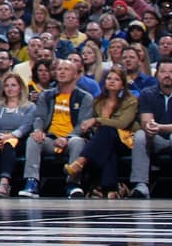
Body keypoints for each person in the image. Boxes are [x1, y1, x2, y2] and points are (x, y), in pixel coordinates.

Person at [19, 58, 94, 197]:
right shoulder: (46, 95)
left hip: (72, 139)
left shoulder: (85, 97)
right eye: (59, 69)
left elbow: (82, 124)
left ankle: (72, 184)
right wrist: (38, 130)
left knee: (78, 142)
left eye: (66, 69)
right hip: (50, 139)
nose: (62, 72)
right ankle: (32, 182)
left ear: (76, 75)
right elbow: (39, 117)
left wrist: (67, 138)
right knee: (33, 139)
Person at [66, 67, 139, 198]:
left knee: (107, 130)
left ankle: (80, 162)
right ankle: (110, 188)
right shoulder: (98, 101)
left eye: (116, 79)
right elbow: (91, 125)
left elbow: (122, 123)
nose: (111, 81)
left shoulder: (131, 101)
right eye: (109, 78)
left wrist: (96, 120)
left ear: (123, 84)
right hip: (103, 142)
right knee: (107, 147)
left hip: (125, 141)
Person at [0, 73, 35, 196]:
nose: (10, 88)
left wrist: (9, 136)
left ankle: (4, 184)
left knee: (8, 145)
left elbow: (26, 126)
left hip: (18, 140)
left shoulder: (29, 107)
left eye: (13, 85)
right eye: (7, 86)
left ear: (20, 87)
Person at [130, 59, 172, 198]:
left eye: (171, 72)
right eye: (163, 71)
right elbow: (146, 121)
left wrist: (159, 127)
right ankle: (141, 185)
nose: (168, 75)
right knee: (141, 135)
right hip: (157, 139)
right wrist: (150, 127)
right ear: (157, 74)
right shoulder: (148, 94)